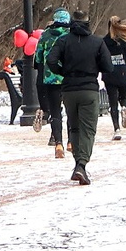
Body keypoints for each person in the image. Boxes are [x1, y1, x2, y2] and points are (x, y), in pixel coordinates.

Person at [42, 14, 106, 184]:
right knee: (88, 129)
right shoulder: (97, 42)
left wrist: (63, 72)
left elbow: (50, 60)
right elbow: (108, 66)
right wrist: (93, 67)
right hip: (89, 90)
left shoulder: (63, 41)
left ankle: (78, 164)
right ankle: (81, 165)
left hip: (69, 90)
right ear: (88, 23)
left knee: (75, 127)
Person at [36, 8, 78, 156]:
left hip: (51, 78)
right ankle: (71, 141)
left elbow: (38, 58)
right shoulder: (71, 35)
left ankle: (58, 143)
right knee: (71, 110)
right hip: (68, 78)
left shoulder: (45, 35)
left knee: (55, 111)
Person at [101, 17, 126, 137]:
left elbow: (100, 58)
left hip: (110, 74)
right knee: (123, 97)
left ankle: (117, 129)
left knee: (112, 103)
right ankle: (124, 107)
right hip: (125, 73)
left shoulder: (104, 41)